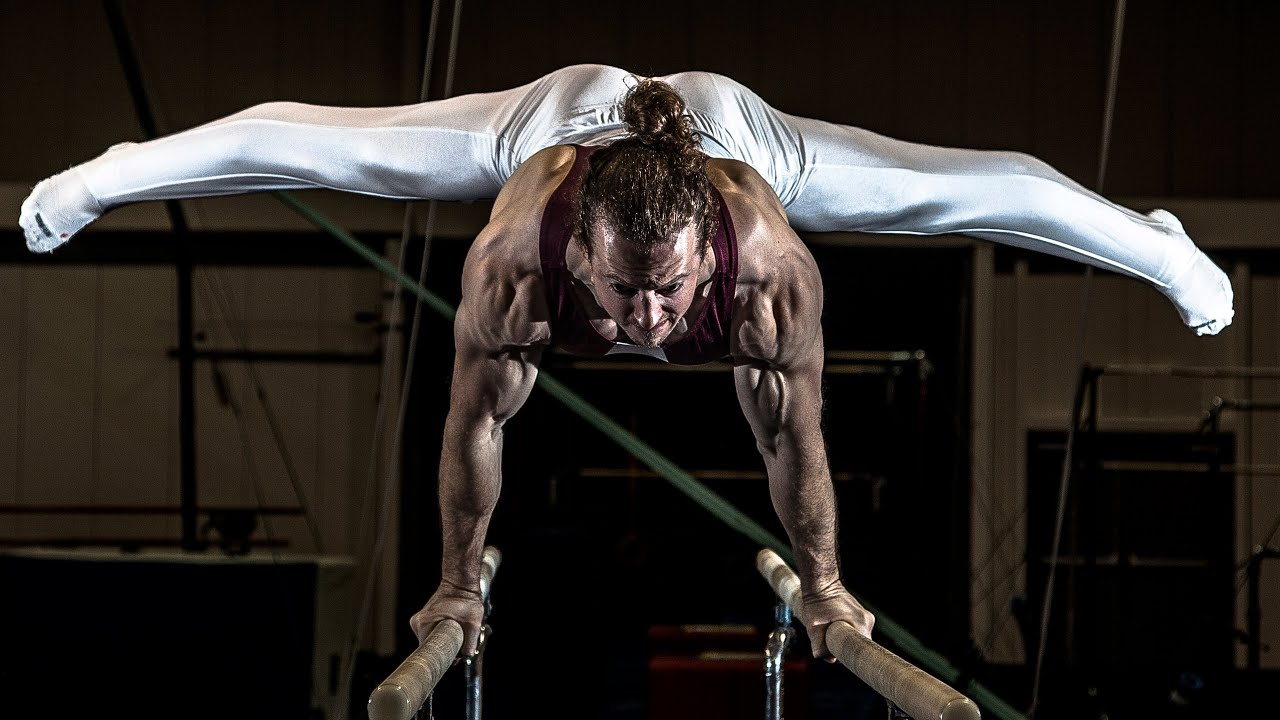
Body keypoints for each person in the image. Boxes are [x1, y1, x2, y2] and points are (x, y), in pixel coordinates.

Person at [18, 64, 1233, 663]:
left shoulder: (766, 269)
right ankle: (101, 175)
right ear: (576, 253)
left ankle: (1162, 253)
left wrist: (824, 582)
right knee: (312, 147)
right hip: (554, 125)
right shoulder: (511, 257)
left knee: (970, 188)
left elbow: (789, 435)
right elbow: (473, 425)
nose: (648, 323)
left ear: (708, 259)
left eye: (667, 295)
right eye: (617, 293)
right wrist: (454, 584)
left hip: (733, 130)